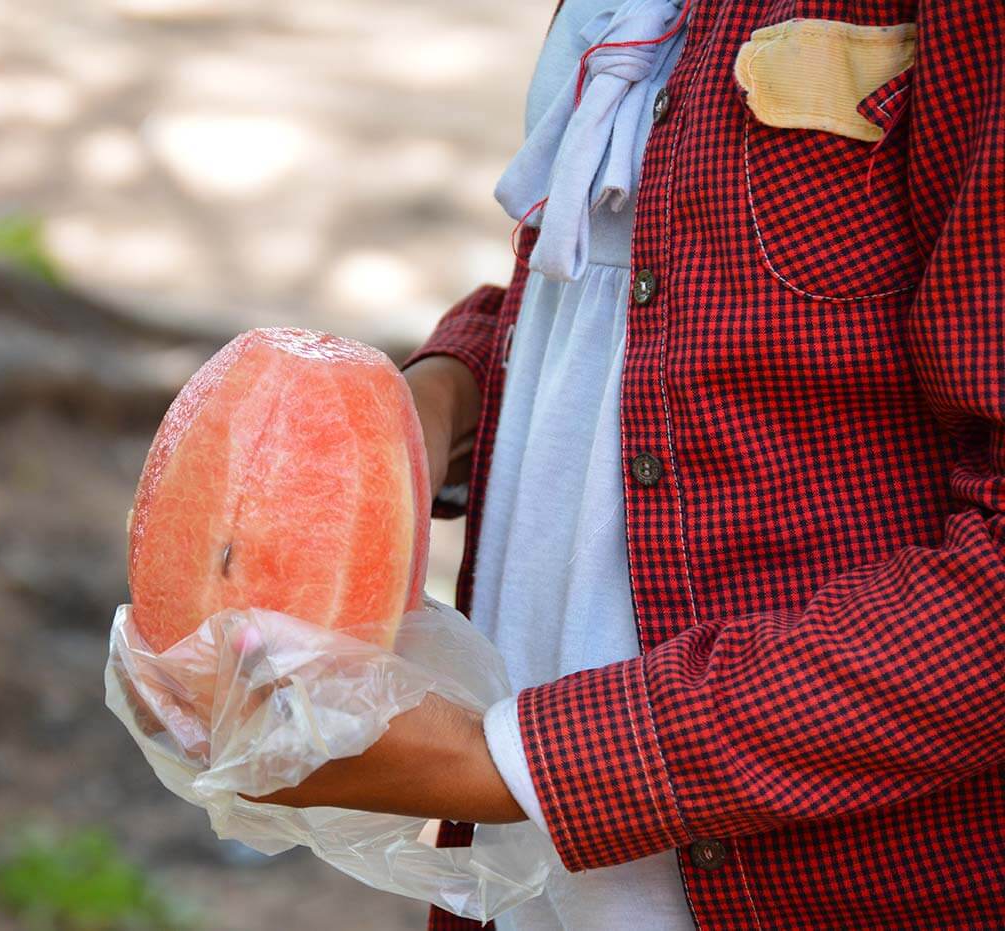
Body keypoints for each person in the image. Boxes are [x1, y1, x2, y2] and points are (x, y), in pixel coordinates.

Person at [253, 0, 1005, 928]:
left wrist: (501, 763)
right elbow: (617, 279)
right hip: (534, 883)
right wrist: (444, 392)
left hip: (822, 883)